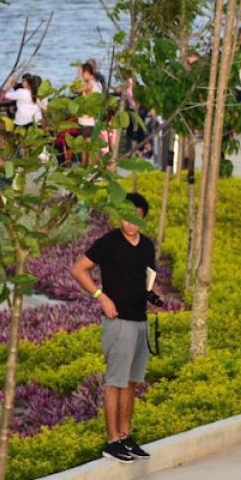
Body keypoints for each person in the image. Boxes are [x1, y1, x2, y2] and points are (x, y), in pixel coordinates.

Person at [71, 192, 161, 464]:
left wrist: (152, 297)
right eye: (126, 217)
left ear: (143, 218)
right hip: (118, 322)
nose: (130, 223)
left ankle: (125, 436)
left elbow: (146, 278)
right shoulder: (109, 242)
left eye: (136, 218)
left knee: (131, 382)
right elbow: (79, 270)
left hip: (140, 321)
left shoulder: (147, 245)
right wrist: (102, 298)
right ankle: (112, 441)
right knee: (115, 382)